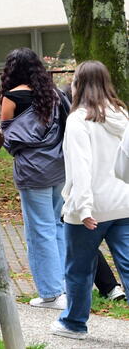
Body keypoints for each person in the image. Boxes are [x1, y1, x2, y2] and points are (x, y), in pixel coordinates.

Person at [52, 61, 129, 340]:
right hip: (123, 203)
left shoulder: (78, 120)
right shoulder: (122, 115)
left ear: (79, 85)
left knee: (79, 269)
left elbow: (80, 167)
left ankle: (74, 323)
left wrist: (82, 207)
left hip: (90, 210)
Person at [0, 47, 70, 310]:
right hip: (59, 168)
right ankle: (66, 286)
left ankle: (52, 293)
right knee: (57, 225)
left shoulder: (11, 98)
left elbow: (8, 138)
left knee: (40, 230)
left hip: (32, 172)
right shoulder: (54, 95)